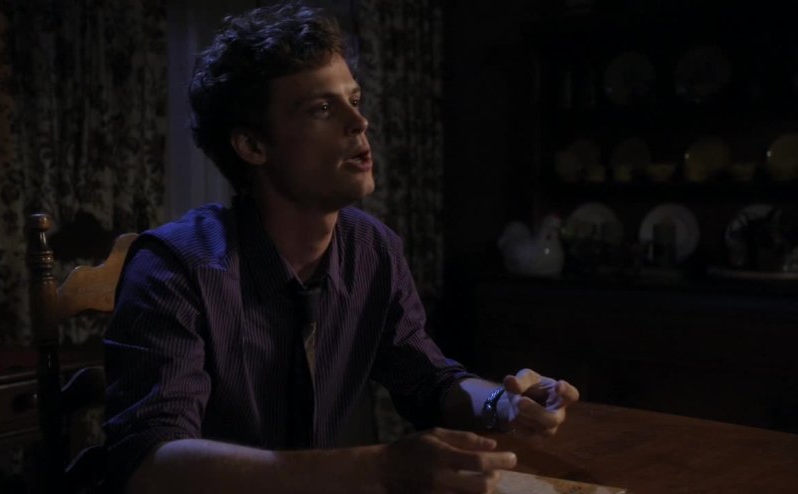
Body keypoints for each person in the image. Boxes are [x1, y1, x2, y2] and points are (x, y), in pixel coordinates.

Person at [103, 3, 579, 493]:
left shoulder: (372, 249)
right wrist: (380, 468)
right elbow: (150, 463)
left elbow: (429, 381)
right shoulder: (175, 267)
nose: (359, 122)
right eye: (322, 109)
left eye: (355, 99)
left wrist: (502, 403)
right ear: (252, 146)